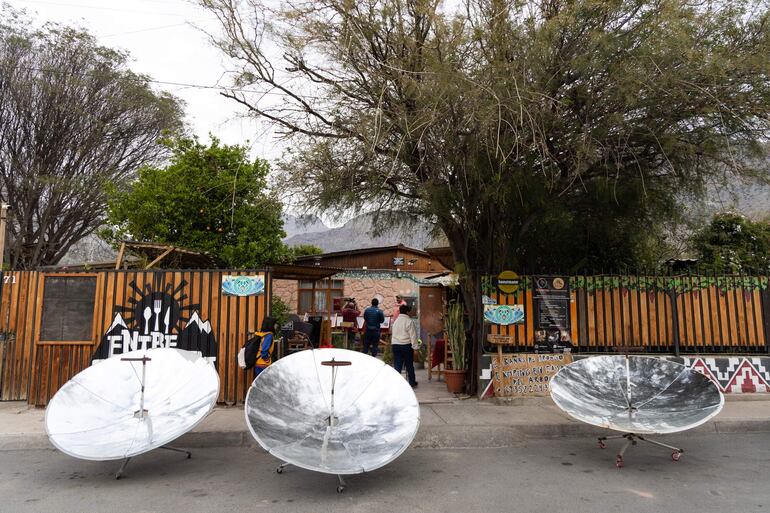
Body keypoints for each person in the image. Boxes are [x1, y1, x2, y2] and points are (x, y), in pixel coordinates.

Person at [390, 304, 418, 388]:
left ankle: (396, 383)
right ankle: (412, 382)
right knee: (409, 364)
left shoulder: (396, 321)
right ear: (407, 312)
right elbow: (413, 336)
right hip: (406, 345)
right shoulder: (409, 321)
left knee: (397, 365)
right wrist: (415, 348)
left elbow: (393, 333)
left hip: (395, 345)